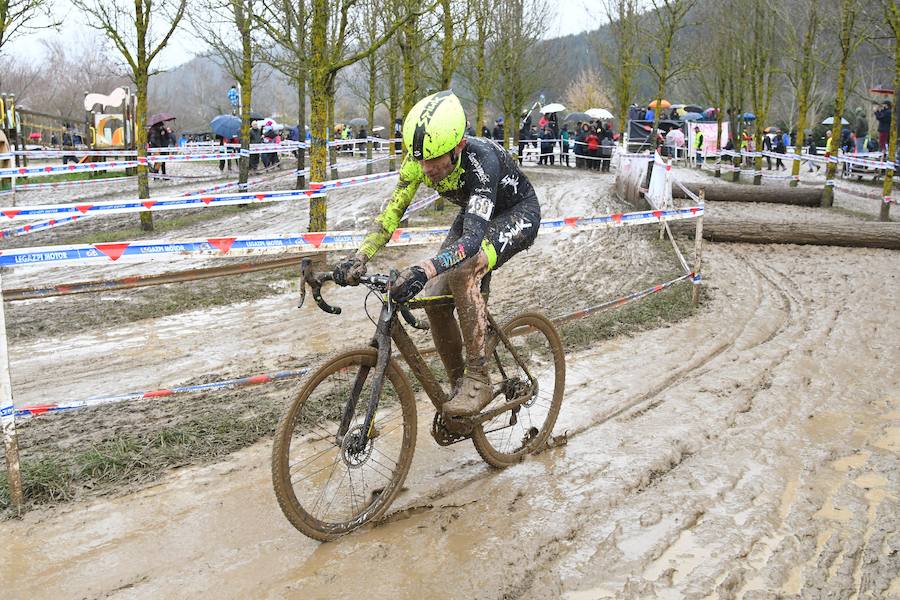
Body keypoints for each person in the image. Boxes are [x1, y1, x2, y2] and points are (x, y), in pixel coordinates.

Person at [331, 91, 541, 417]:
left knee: (461, 270)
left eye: (435, 160)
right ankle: (460, 386)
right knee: (435, 295)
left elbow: (471, 242)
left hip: (516, 213)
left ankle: (479, 377)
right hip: (474, 212)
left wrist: (424, 267)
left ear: (457, 147)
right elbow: (391, 214)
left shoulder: (480, 161)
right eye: (421, 160)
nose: (427, 169)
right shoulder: (418, 162)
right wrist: (361, 256)